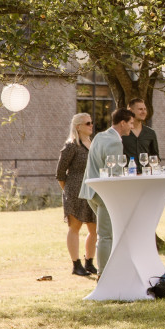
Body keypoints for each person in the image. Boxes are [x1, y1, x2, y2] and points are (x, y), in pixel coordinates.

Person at [79, 108, 134, 273]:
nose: (132, 126)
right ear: (122, 123)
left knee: (106, 234)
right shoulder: (115, 142)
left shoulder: (99, 136)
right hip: (104, 195)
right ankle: (103, 275)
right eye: (131, 123)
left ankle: (111, 270)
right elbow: (115, 174)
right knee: (106, 236)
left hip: (91, 191)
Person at [56, 113, 98, 276]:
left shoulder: (93, 144)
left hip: (92, 191)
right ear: (78, 126)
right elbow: (60, 173)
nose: (91, 125)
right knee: (75, 227)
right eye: (88, 123)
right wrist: (68, 191)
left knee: (94, 229)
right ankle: (76, 265)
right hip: (74, 191)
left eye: (92, 122)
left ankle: (89, 262)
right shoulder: (71, 146)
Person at [121, 98, 159, 171]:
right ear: (130, 111)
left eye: (145, 109)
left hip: (145, 176)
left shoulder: (151, 133)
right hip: (127, 176)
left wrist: (152, 165)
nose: (144, 112)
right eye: (140, 109)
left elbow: (155, 155)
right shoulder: (122, 132)